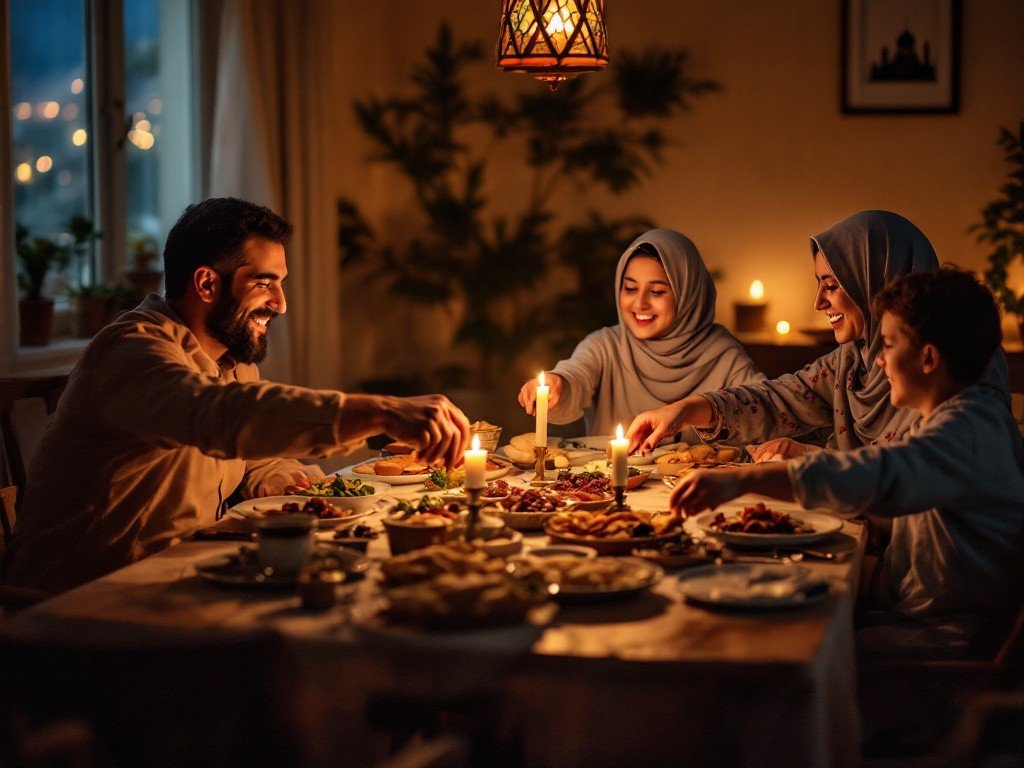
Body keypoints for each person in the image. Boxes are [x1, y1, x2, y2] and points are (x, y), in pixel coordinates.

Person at [2, 197, 470, 594]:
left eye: (281, 283)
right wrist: (382, 411)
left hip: (174, 581)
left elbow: (251, 454)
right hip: (79, 611)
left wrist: (285, 478)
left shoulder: (233, 359)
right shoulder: (132, 351)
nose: (281, 304)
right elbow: (215, 417)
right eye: (265, 282)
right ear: (207, 283)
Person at [670, 268, 1024, 660]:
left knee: (786, 650)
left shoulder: (967, 430)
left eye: (888, 346)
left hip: (950, 641)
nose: (878, 363)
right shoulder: (952, 416)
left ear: (928, 358)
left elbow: (880, 474)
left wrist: (742, 481)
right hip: (920, 617)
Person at [625, 210, 1010, 457]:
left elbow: (903, 479)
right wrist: (687, 409)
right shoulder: (853, 362)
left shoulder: (957, 372)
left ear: (872, 282)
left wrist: (808, 461)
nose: (818, 303)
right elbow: (778, 401)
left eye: (831, 284)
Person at [518, 229, 762, 438]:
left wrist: (773, 445)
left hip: (698, 490)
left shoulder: (723, 353)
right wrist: (557, 384)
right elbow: (577, 375)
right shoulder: (605, 345)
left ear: (688, 295)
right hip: (607, 491)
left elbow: (763, 408)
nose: (640, 303)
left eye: (656, 292)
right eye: (630, 288)